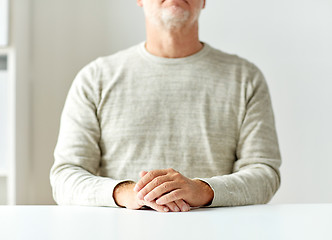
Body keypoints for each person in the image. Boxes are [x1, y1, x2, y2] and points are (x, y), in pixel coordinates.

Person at [50, 0, 281, 213]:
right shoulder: (95, 78)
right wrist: (130, 193)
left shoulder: (245, 78)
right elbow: (65, 176)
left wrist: (203, 190)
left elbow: (264, 173)